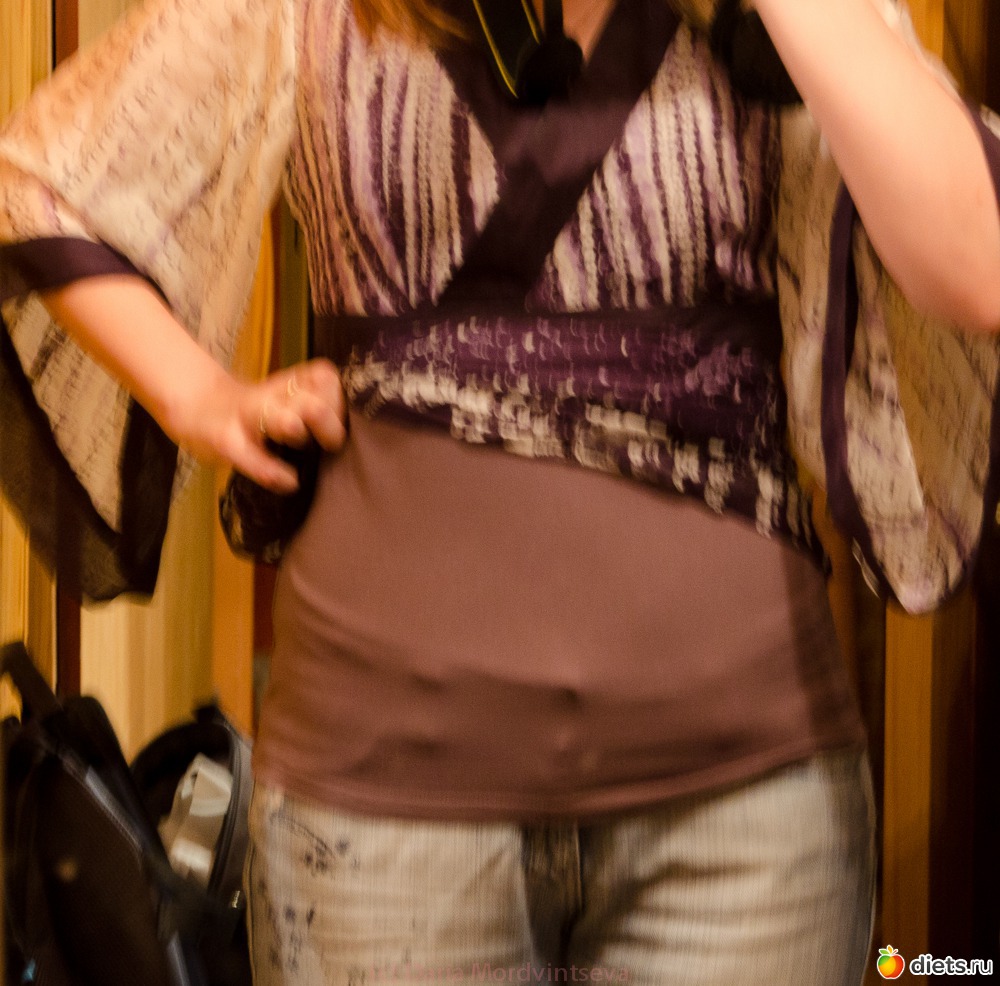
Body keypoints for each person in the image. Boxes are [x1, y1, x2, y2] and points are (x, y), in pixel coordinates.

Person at [1, 0, 999, 983]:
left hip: (744, 815)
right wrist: (199, 395)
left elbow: (978, 261)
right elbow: (36, 186)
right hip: (377, 813)